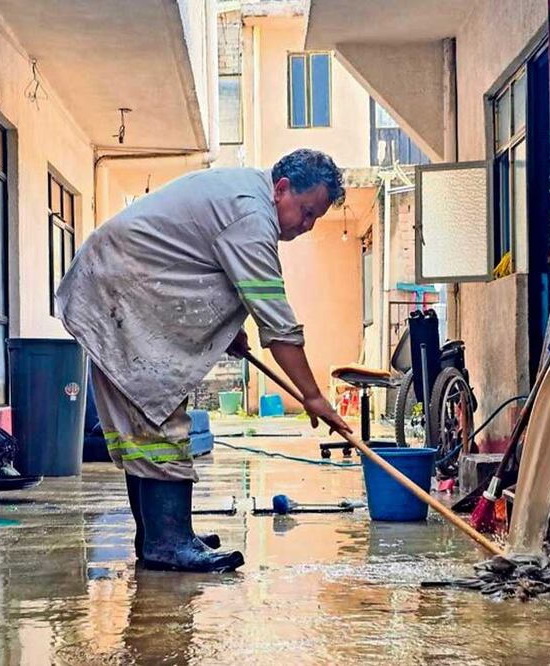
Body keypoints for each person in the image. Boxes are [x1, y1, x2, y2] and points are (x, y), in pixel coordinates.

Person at [56, 149, 352, 573]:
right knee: (157, 416)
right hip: (117, 292)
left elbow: (196, 263)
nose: (306, 226)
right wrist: (313, 396)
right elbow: (277, 322)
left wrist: (228, 331)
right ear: (282, 188)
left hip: (117, 289)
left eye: (315, 219)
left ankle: (161, 534)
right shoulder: (251, 217)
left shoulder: (244, 198)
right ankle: (168, 541)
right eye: (305, 213)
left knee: (145, 425)